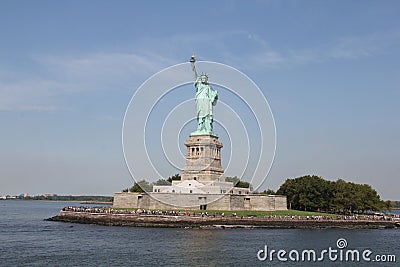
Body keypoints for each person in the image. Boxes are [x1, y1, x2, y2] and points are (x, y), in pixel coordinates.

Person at [190, 56, 218, 134]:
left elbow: (213, 96)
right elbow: (194, 74)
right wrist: (192, 64)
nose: (203, 79)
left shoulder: (208, 87)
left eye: (204, 78)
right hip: (199, 100)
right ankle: (200, 128)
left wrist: (215, 95)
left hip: (206, 102)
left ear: (206, 80)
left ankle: (207, 128)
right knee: (200, 114)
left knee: (207, 115)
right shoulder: (198, 85)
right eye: (202, 78)